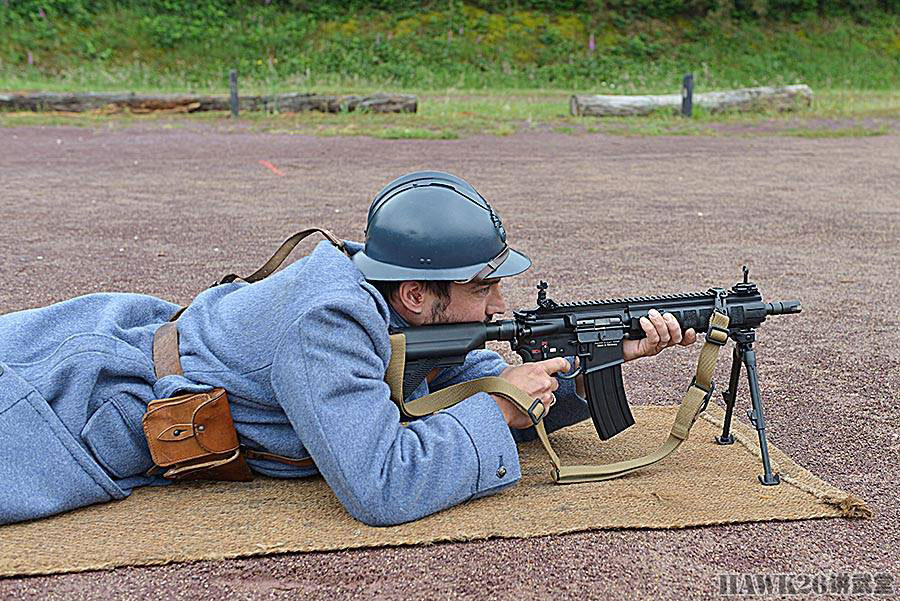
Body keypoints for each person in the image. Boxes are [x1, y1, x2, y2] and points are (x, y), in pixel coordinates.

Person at [0, 171, 695, 527]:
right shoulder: (328, 323)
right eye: (482, 286)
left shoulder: (395, 296)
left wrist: (605, 357)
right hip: (68, 400)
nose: (498, 304)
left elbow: (474, 371)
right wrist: (501, 416)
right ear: (417, 295)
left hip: (121, 347)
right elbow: (380, 485)